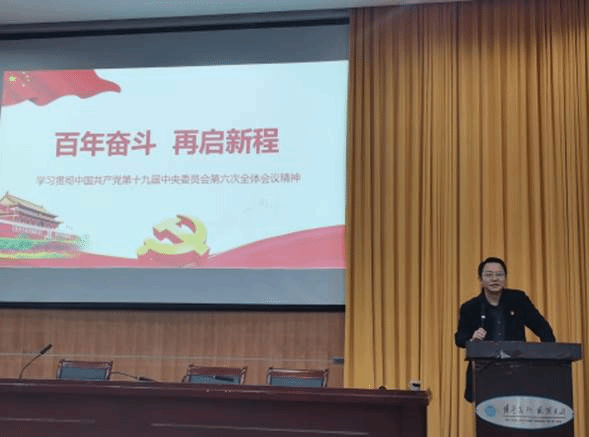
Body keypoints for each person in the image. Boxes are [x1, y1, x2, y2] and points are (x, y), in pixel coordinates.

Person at [454, 256, 555, 402]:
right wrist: (472, 338)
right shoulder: (470, 307)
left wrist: (551, 357)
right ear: (480, 279)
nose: (494, 279)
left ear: (505, 278)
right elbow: (459, 338)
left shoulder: (518, 299)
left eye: (499, 274)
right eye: (489, 275)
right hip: (484, 373)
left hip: (516, 371)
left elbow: (541, 326)